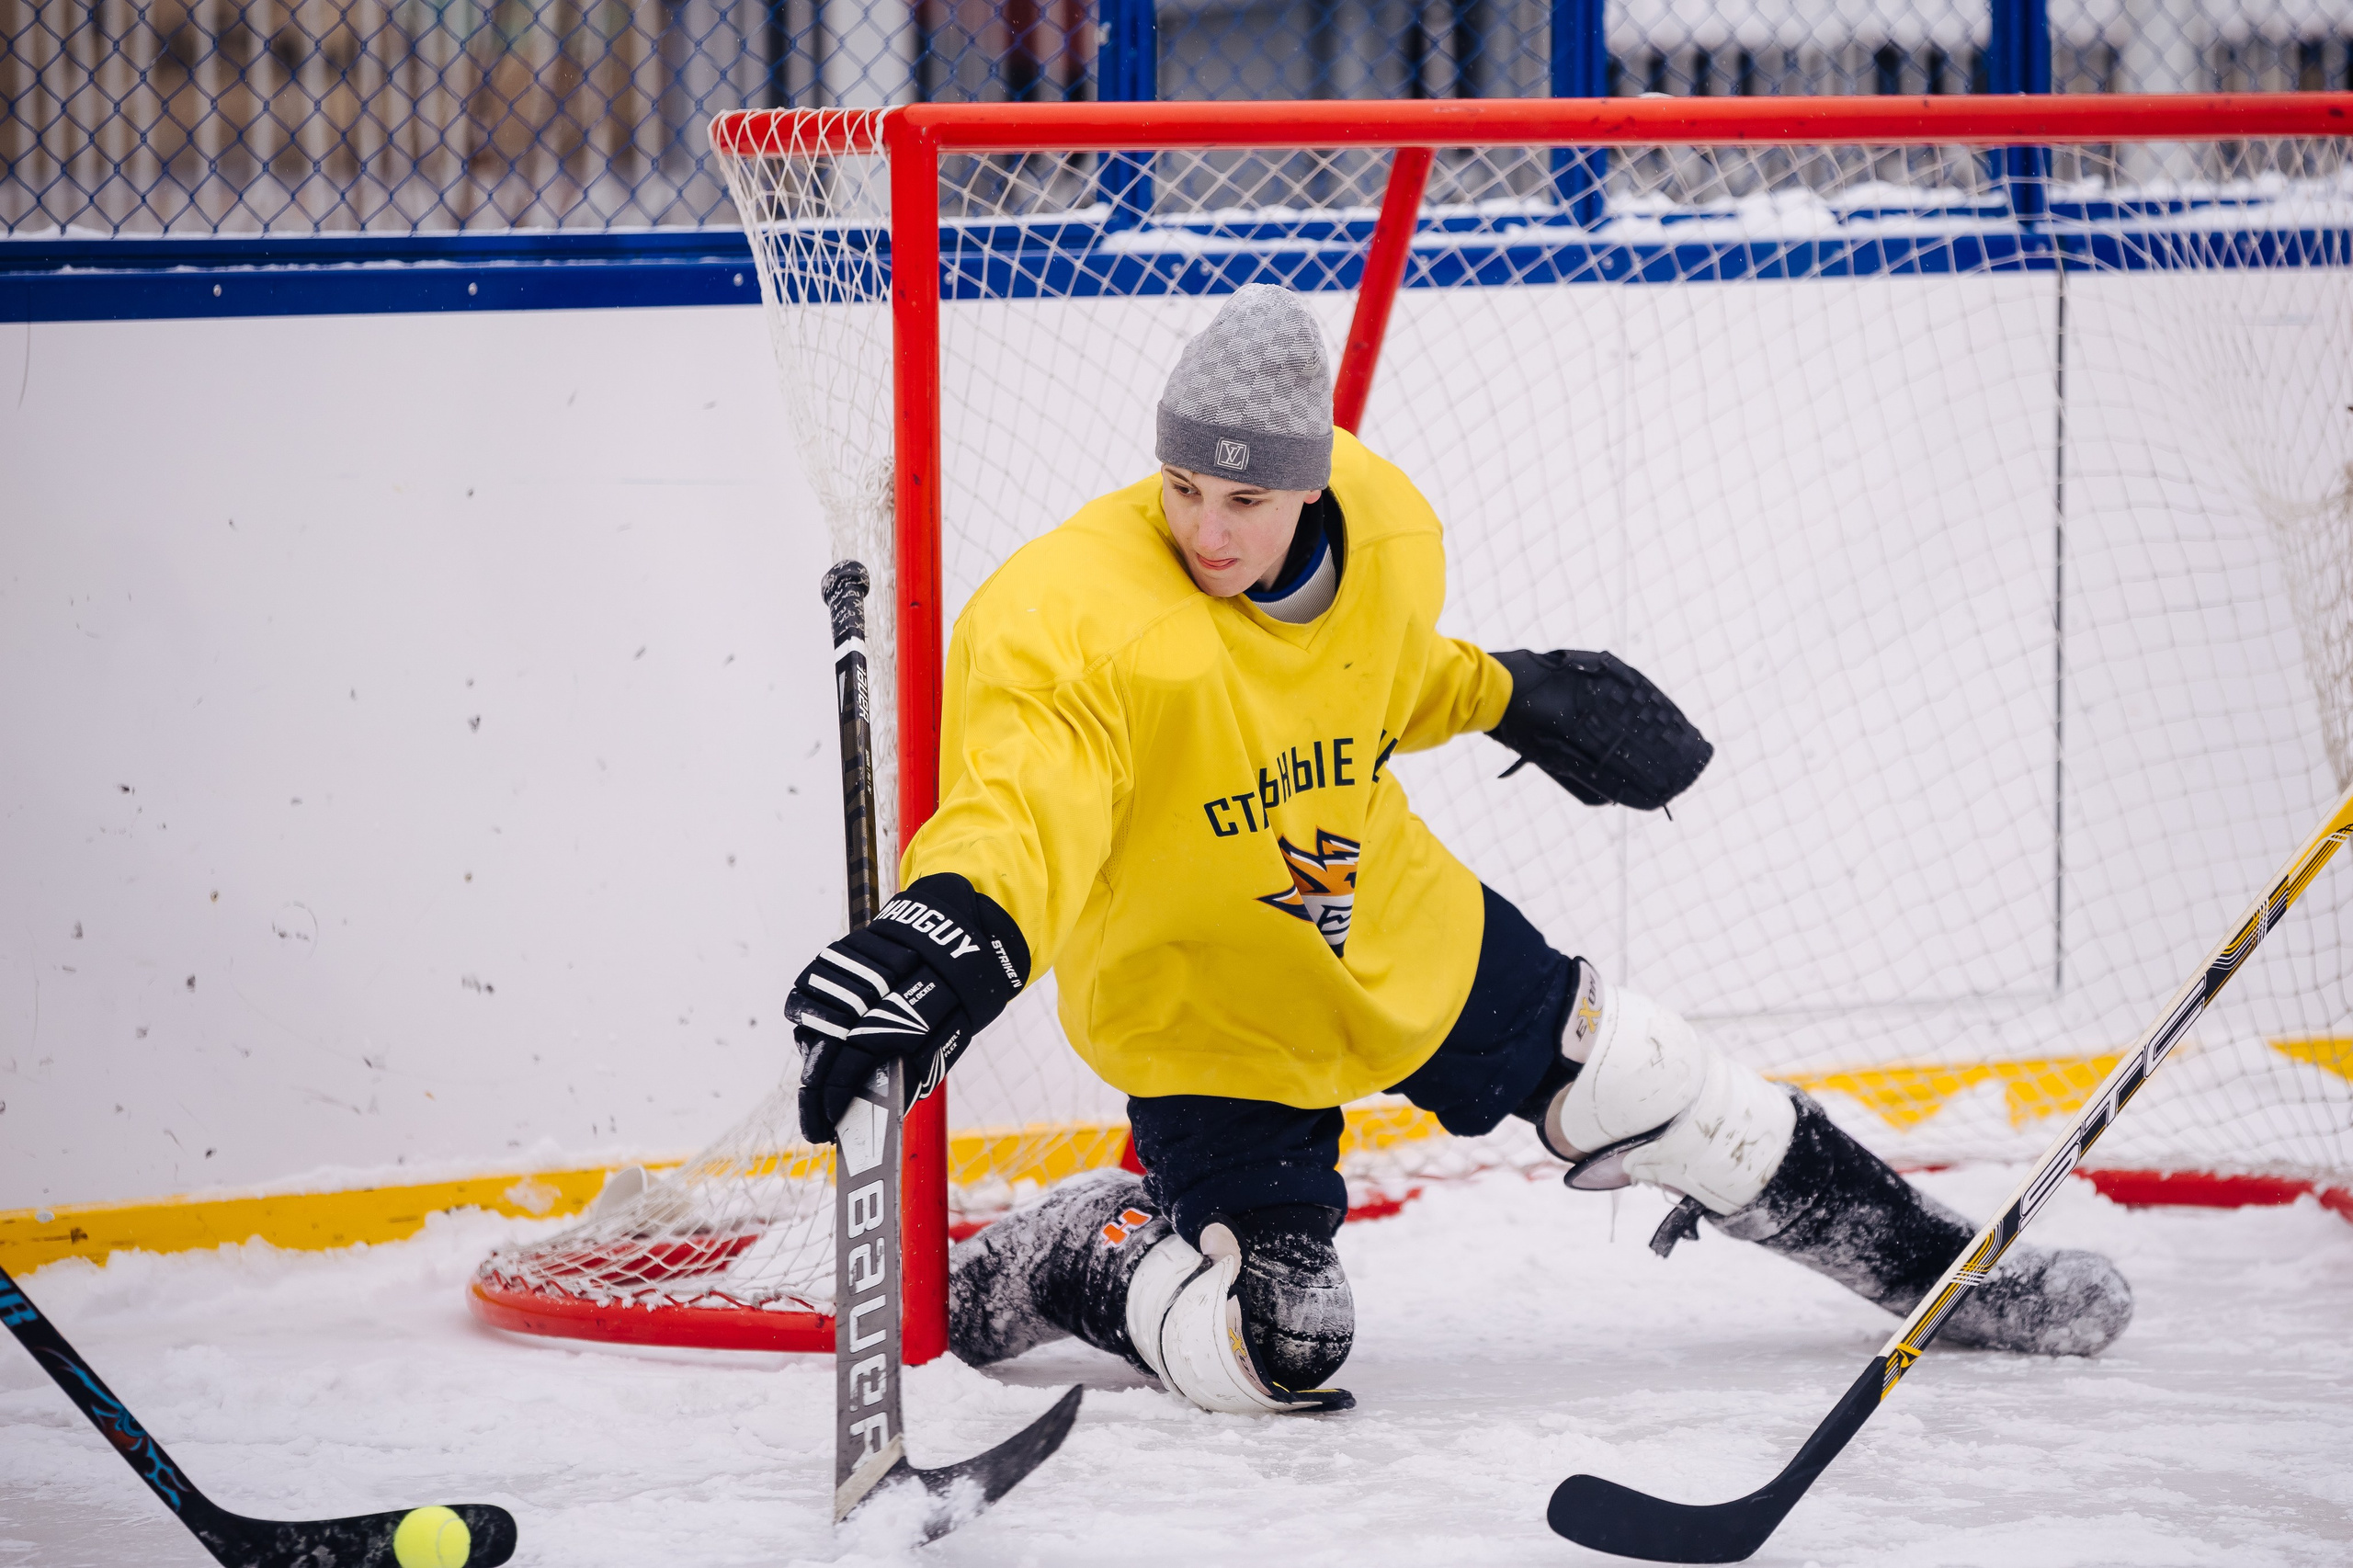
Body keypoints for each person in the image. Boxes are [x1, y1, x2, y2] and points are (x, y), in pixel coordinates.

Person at [785, 284, 2131, 1415]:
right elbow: (1030, 792)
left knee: (1664, 1078)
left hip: (1396, 929)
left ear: (1308, 483)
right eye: (1183, 487)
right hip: (1211, 1018)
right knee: (1283, 1349)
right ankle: (1086, 1250)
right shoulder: (1076, 614)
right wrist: (952, 923)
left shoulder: (1385, 527)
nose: (1207, 530)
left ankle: (1952, 1275)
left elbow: (1368, 674)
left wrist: (1510, 693)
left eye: (1245, 500)